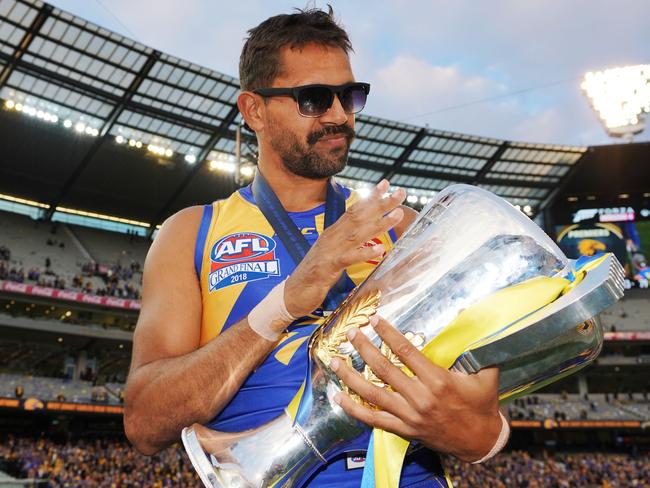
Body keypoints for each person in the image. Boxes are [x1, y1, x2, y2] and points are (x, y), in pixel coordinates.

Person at [124, 7, 505, 486]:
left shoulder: (404, 226)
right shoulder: (190, 234)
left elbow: (480, 423)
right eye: (315, 99)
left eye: (350, 96)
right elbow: (144, 422)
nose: (340, 116)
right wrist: (284, 302)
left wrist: (481, 436)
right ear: (254, 110)